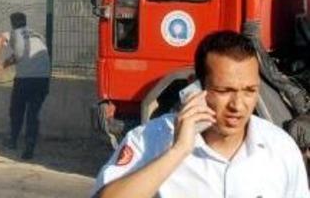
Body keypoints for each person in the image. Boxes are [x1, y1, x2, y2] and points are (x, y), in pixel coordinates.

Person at [92, 30, 310, 198]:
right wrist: (177, 151)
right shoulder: (149, 140)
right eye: (225, 91)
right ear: (194, 87)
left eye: (249, 91)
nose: (238, 105)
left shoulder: (280, 148)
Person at [0, 11, 51, 159]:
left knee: (16, 110)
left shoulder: (15, 33)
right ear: (25, 21)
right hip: (43, 79)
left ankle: (12, 140)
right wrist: (4, 65)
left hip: (25, 80)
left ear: (12, 23)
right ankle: (29, 146)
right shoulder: (37, 35)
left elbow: (0, 38)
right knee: (33, 113)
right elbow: (21, 55)